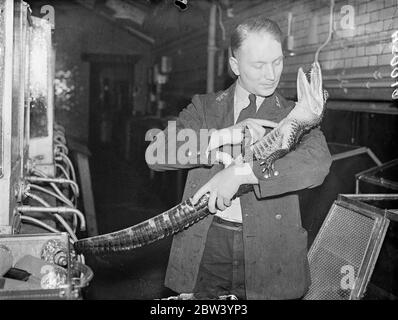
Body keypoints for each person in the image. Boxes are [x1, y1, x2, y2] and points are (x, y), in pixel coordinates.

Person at [146, 16, 332, 300]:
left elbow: (318, 163)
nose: (271, 74)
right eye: (258, 65)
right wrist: (221, 135)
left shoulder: (295, 115)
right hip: (208, 245)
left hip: (271, 253)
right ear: (235, 65)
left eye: (277, 62)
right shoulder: (205, 108)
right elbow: (156, 153)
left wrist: (242, 174)